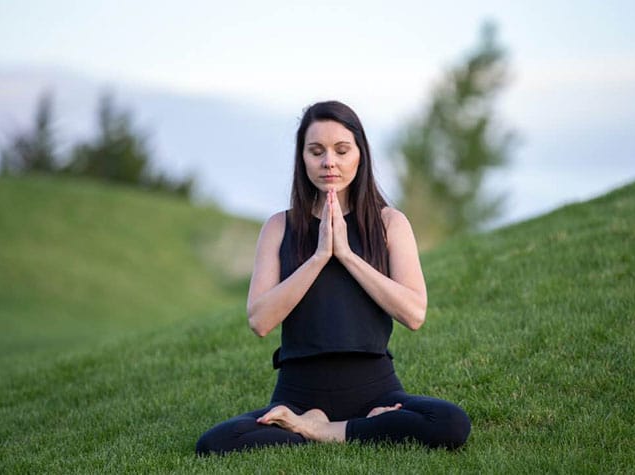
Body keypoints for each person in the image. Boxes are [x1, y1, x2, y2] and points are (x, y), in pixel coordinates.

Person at [195, 100, 470, 455]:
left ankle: (323, 430)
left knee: (450, 423)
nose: (329, 162)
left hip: (377, 390)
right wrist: (321, 255)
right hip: (298, 395)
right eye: (316, 151)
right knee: (215, 443)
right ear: (302, 158)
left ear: (360, 155)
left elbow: (414, 314)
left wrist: (347, 255)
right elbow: (259, 320)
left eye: (342, 150)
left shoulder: (390, 224)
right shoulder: (278, 227)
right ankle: (342, 426)